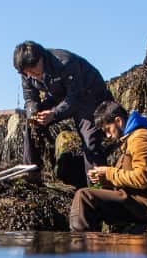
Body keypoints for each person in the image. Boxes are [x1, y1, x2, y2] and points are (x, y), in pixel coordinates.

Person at [14, 41, 112, 177]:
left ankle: (97, 185)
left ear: (41, 58)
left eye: (33, 69)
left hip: (88, 93)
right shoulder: (27, 73)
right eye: (27, 72)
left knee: (89, 138)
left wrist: (54, 114)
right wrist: (34, 113)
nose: (31, 75)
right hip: (59, 94)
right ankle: (31, 173)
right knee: (31, 124)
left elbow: (74, 97)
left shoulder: (65, 62)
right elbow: (30, 97)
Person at [71, 101, 147, 232]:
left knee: (84, 197)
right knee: (89, 197)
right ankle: (90, 244)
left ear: (118, 121)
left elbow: (142, 179)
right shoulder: (131, 139)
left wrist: (108, 173)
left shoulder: (141, 138)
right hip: (133, 202)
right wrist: (103, 180)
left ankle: (79, 244)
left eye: (107, 129)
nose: (107, 135)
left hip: (145, 208)